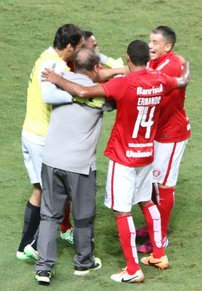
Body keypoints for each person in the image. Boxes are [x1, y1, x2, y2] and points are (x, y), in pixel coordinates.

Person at [42, 40, 190, 283]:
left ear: (128, 59)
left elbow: (82, 92)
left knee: (122, 211)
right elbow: (182, 81)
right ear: (148, 60)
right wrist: (187, 66)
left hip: (123, 156)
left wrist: (58, 80)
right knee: (145, 201)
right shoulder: (161, 80)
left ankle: (133, 269)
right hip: (146, 154)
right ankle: (159, 254)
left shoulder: (124, 83)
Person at [34, 47, 108, 285]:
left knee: (49, 216)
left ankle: (43, 268)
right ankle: (83, 262)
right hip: (79, 165)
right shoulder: (99, 94)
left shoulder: (59, 83)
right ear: (97, 68)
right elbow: (121, 90)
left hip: (51, 160)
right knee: (84, 216)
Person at [17, 24, 84, 261]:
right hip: (42, 138)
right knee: (55, 193)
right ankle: (35, 245)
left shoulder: (43, 57)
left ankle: (23, 246)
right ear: (68, 46)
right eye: (78, 47)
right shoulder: (55, 64)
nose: (78, 52)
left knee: (39, 189)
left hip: (29, 132)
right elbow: (48, 95)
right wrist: (74, 96)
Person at [59, 30, 127, 246]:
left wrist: (123, 70)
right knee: (67, 188)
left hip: (74, 139)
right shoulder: (69, 71)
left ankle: (64, 228)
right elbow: (90, 87)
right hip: (68, 137)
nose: (97, 50)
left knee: (64, 188)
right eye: (93, 46)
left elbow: (100, 74)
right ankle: (67, 232)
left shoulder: (82, 64)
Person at [137, 26, 191, 253]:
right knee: (151, 181)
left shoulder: (170, 65)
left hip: (171, 135)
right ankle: (152, 225)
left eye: (155, 43)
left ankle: (161, 234)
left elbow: (151, 82)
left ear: (167, 46)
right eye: (150, 41)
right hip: (157, 133)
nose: (150, 46)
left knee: (164, 185)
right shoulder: (158, 62)